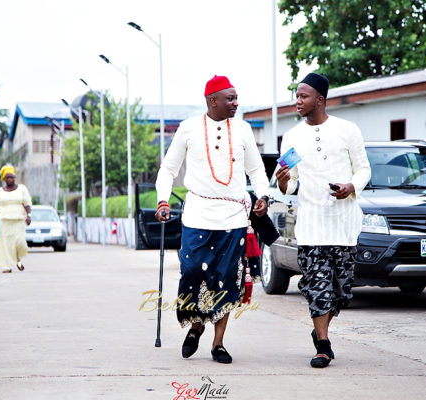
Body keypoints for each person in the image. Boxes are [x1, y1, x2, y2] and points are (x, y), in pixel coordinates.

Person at [155, 75, 270, 364]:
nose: (236, 103)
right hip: (197, 216)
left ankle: (218, 344)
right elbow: (168, 169)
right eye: (230, 98)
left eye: (236, 97)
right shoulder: (188, 128)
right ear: (212, 101)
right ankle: (195, 324)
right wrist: (163, 199)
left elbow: (257, 172)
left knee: (226, 281)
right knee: (193, 271)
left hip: (233, 218)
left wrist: (263, 196)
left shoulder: (243, 130)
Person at [276, 72, 371, 368]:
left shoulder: (348, 130)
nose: (297, 101)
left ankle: (321, 327)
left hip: (343, 226)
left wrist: (351, 187)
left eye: (303, 96)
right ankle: (323, 344)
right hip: (311, 227)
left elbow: (363, 169)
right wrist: (282, 182)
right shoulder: (291, 137)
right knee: (317, 288)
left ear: (320, 99)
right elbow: (290, 184)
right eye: (296, 96)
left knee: (340, 293)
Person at [0, 165, 32, 273]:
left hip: (18, 221)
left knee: (20, 242)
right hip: (4, 221)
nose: (9, 179)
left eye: (11, 177)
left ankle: (18, 259)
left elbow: (27, 204)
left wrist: (29, 216)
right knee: (6, 244)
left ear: (14, 178)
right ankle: (7, 266)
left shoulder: (22, 189)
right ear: (4, 179)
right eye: (7, 177)